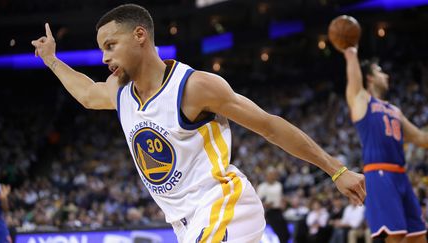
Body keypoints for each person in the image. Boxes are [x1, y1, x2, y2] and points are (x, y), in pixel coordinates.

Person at [31, 4, 365, 242]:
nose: (104, 58)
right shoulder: (120, 92)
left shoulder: (193, 87)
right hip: (184, 224)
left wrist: (336, 170)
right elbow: (88, 94)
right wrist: (51, 61)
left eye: (110, 45)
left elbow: (269, 126)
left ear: (139, 35)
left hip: (223, 204)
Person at [342, 46, 427, 243]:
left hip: (401, 175)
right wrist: (350, 51)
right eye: (380, 71)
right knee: (394, 236)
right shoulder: (362, 101)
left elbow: (421, 139)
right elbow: (354, 82)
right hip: (379, 175)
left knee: (418, 236)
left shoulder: (394, 110)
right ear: (370, 78)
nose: (386, 75)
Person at [257, 167, 289, 243]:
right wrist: (265, 204)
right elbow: (258, 201)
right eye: (271, 174)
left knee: (286, 234)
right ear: (266, 175)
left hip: (279, 210)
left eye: (274, 174)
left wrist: (284, 202)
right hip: (269, 212)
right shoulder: (262, 187)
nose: (273, 176)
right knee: (280, 233)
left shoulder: (279, 185)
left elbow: (281, 197)